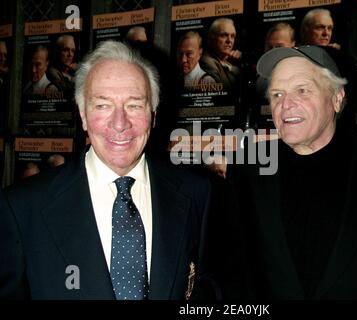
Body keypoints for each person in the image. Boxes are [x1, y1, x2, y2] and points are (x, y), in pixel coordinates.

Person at [211, 45, 357, 299]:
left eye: (301, 90)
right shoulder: (247, 168)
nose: (286, 105)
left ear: (336, 98)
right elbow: (233, 271)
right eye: (277, 94)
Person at [0, 40, 214, 300]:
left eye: (134, 105)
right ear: (82, 115)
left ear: (154, 114)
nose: (120, 124)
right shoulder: (21, 208)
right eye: (103, 105)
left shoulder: (197, 194)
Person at [201, 18, 241, 94]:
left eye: (232, 36)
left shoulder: (227, 61)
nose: (229, 41)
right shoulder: (207, 61)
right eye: (224, 35)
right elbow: (226, 92)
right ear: (211, 38)